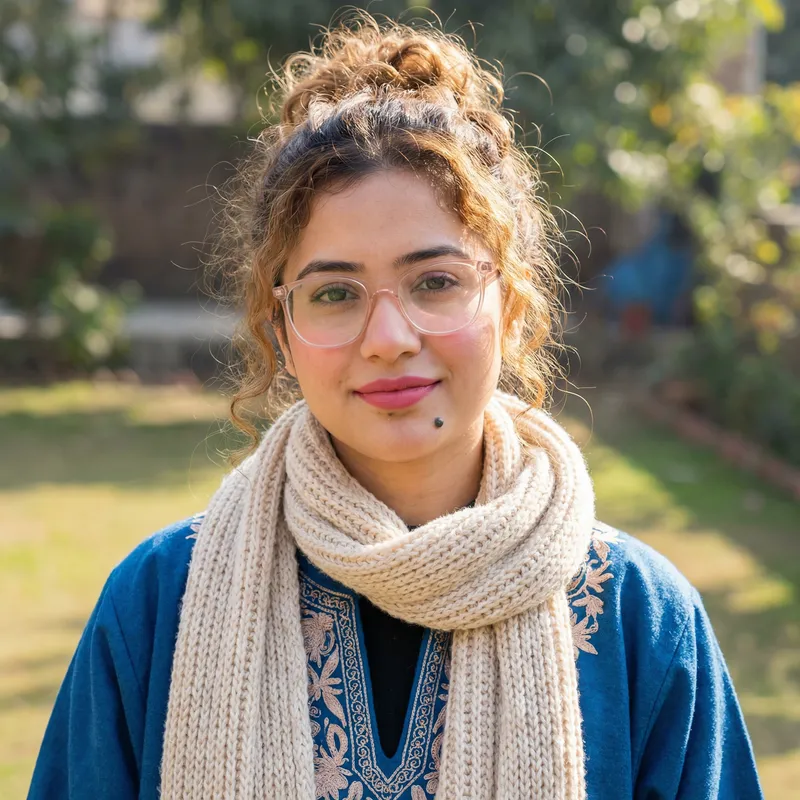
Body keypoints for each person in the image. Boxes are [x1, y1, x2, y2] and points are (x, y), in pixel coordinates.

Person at [28, 14, 763, 800]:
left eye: (436, 282)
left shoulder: (639, 623)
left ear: (510, 305)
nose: (387, 337)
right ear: (280, 326)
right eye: (335, 293)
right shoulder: (158, 607)